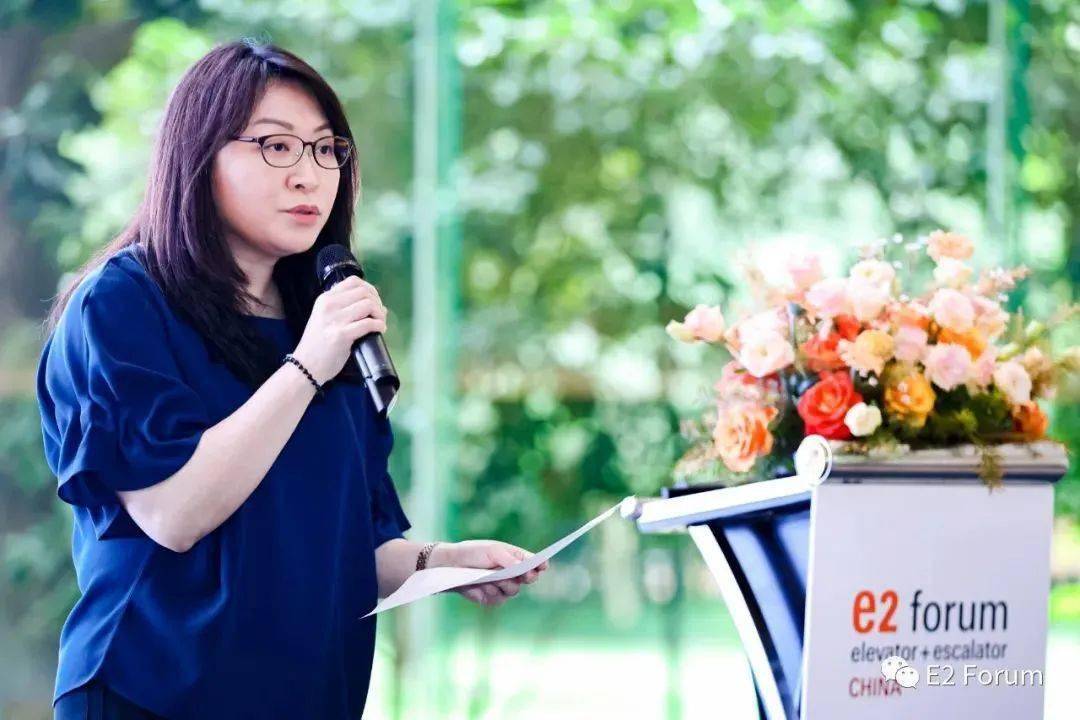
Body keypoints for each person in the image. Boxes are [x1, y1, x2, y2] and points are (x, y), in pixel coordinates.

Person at [36, 40, 547, 720]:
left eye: (326, 149)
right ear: (199, 157)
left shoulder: (325, 317)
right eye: (276, 146)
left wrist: (443, 562)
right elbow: (174, 514)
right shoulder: (123, 303)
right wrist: (306, 366)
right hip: (153, 692)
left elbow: (350, 542)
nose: (310, 175)